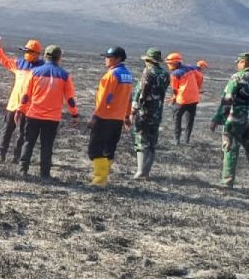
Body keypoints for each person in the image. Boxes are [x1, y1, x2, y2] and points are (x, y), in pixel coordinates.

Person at [209, 52, 249, 189]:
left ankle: (227, 182)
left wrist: (217, 119)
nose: (237, 65)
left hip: (236, 120)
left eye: (238, 62)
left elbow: (227, 100)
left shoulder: (237, 77)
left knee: (230, 150)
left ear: (243, 62)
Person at [19, 45, 79, 179]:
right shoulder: (64, 75)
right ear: (59, 58)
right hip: (52, 118)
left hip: (33, 114)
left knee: (28, 142)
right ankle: (44, 174)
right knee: (47, 146)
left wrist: (21, 110)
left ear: (45, 56)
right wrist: (74, 114)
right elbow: (70, 99)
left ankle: (23, 170)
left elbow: (25, 95)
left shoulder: (34, 72)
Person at [87, 46, 135, 186]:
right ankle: (103, 177)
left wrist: (95, 117)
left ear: (118, 59)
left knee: (95, 149)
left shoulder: (111, 75)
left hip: (105, 117)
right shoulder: (128, 75)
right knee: (109, 148)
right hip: (118, 119)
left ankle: (99, 180)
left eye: (108, 57)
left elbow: (105, 98)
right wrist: (126, 116)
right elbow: (128, 98)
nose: (106, 60)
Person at [0, 37, 43, 163]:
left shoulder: (42, 68)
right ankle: (1, 154)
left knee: (23, 133)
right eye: (25, 51)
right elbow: (6, 61)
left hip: (29, 108)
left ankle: (17, 156)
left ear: (37, 54)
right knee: (7, 129)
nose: (26, 54)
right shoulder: (20, 63)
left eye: (29, 51)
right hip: (14, 104)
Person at [131, 48, 171, 180]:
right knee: (152, 142)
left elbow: (142, 93)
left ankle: (140, 171)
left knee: (141, 140)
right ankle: (146, 172)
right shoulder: (165, 74)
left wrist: (134, 110)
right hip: (157, 112)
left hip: (145, 112)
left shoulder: (148, 72)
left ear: (148, 60)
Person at [166, 52, 205, 144]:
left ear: (175, 63)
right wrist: (200, 65)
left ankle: (176, 140)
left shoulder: (175, 74)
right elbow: (199, 73)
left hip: (182, 101)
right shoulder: (190, 68)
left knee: (177, 118)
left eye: (169, 63)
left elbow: (175, 89)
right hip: (194, 99)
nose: (168, 65)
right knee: (190, 119)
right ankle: (186, 139)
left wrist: (173, 99)